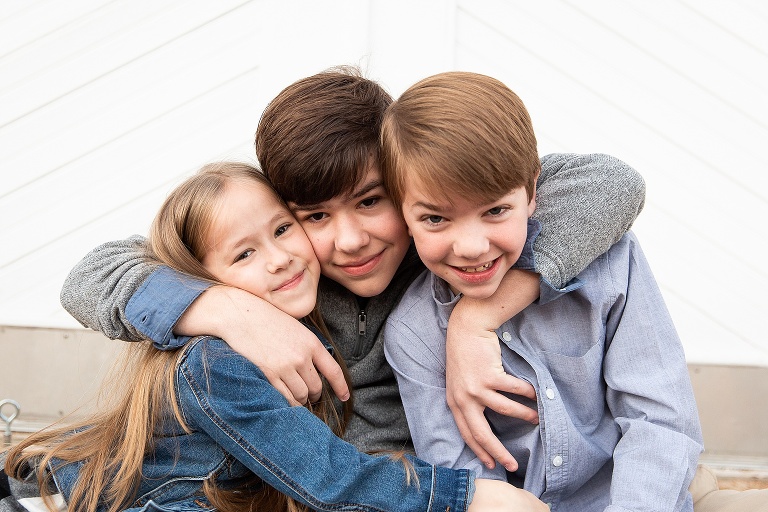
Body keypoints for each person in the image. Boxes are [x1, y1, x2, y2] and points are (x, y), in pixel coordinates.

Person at [58, 67, 646, 474]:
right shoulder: (273, 269)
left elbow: (609, 183)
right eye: (313, 215)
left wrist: (479, 315)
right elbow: (90, 276)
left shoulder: (444, 243)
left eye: (371, 201)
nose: (349, 240)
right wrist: (227, 310)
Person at [1, 162, 549, 512]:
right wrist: (465, 498)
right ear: (202, 276)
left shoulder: (409, 263)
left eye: (284, 229)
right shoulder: (216, 361)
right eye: (244, 254)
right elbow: (329, 478)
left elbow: (602, 181)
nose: (280, 257)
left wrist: (479, 316)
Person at [378, 71, 729, 510]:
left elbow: (659, 419)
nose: (470, 247)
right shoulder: (412, 333)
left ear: (532, 192)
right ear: (403, 215)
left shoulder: (610, 261)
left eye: (496, 211)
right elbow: (461, 474)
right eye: (435, 219)